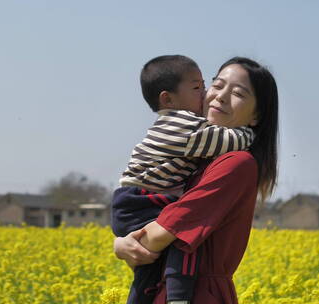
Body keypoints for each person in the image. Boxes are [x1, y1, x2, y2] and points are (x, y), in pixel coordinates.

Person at [113, 56, 279, 304]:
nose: (221, 96)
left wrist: (123, 246)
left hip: (198, 294)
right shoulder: (196, 158)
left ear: (256, 116)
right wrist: (124, 244)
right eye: (218, 84)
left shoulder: (237, 163)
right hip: (164, 291)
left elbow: (169, 230)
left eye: (239, 94)